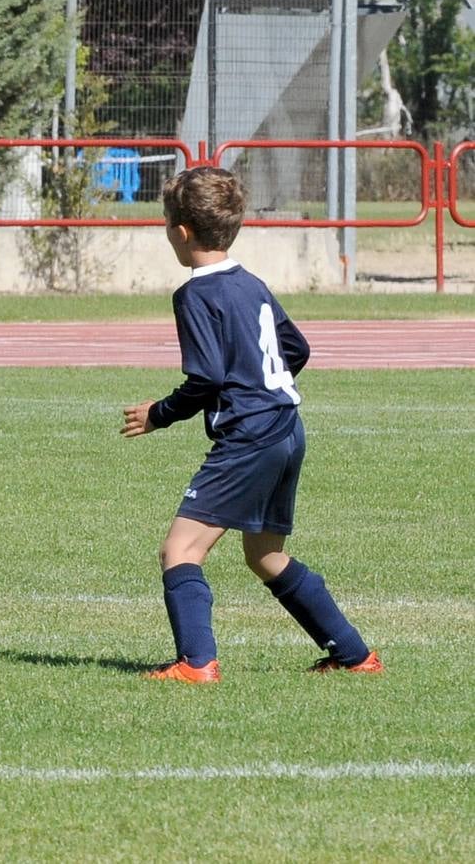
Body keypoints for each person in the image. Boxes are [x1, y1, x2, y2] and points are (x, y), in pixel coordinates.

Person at [121, 167, 382, 682]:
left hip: (250, 439)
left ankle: (196, 663)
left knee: (179, 550)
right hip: (287, 427)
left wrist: (158, 414)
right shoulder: (251, 283)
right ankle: (354, 655)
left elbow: (206, 377)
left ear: (181, 231)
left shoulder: (194, 294)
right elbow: (297, 349)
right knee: (265, 555)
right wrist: (262, 387)